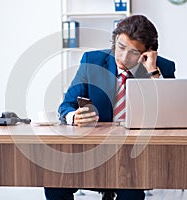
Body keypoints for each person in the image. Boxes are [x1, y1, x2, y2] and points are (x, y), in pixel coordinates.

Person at [45, 15, 175, 200]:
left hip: (135, 155)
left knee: (131, 192)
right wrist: (73, 116)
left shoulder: (162, 68)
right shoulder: (92, 61)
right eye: (121, 47)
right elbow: (66, 105)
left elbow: (170, 116)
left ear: (148, 52)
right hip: (92, 150)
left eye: (134, 52)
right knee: (54, 183)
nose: (123, 57)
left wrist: (153, 73)